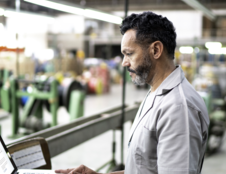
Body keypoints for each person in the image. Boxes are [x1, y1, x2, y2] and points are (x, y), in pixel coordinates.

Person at [56, 11, 209, 174]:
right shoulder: (157, 92)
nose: (124, 63)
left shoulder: (178, 108)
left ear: (156, 50)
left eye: (129, 54)